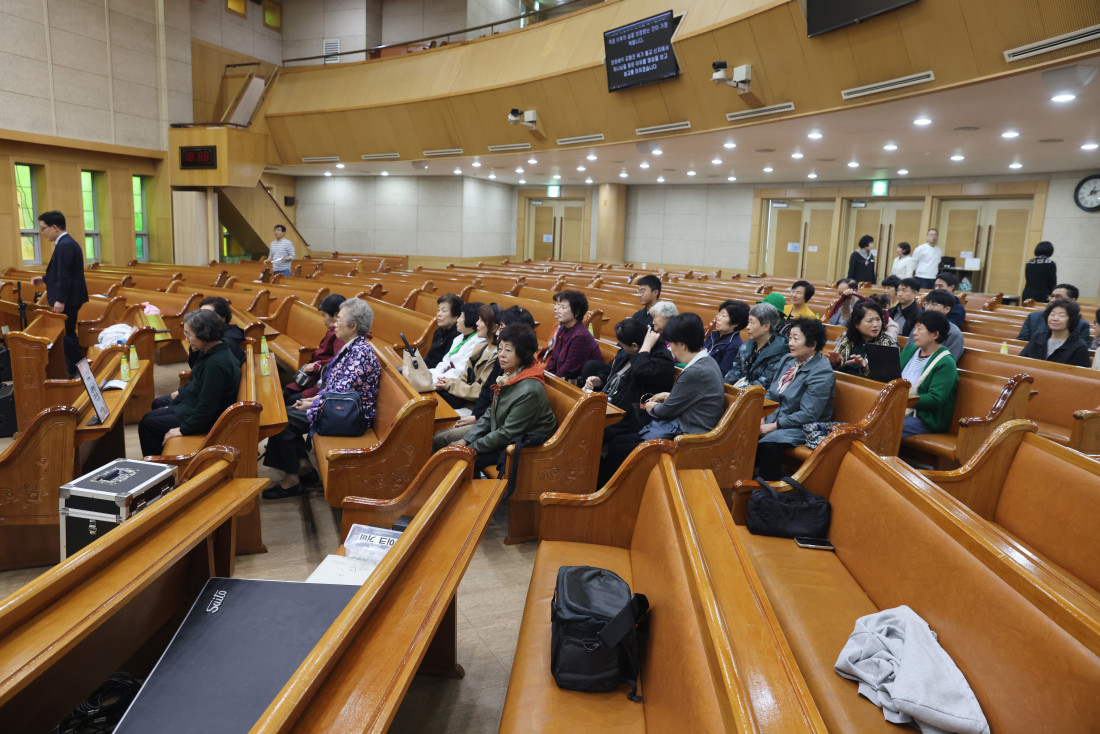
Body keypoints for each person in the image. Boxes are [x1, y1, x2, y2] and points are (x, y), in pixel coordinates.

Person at [263, 299, 380, 498]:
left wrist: (313, 403)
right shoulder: (352, 347)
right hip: (340, 409)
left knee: (283, 421)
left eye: (339, 319)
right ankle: (303, 467)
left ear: (353, 325)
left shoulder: (360, 353)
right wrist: (312, 401)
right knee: (284, 413)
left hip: (350, 417)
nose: (335, 323)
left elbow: (340, 395)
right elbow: (334, 389)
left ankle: (292, 481)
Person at [598, 313, 725, 485]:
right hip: (684, 424)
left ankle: (609, 491)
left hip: (690, 436)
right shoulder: (707, 361)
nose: (671, 349)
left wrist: (650, 406)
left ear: (682, 345)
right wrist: (669, 396)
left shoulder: (695, 371)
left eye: (672, 345)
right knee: (620, 441)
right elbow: (692, 397)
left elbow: (665, 411)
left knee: (621, 448)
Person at [452, 325, 557, 475]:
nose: (501, 355)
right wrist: (466, 440)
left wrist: (470, 447)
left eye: (508, 350)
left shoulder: (529, 390)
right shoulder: (510, 374)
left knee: (462, 460)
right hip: (504, 436)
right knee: (456, 451)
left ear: (524, 353)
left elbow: (507, 433)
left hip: (527, 449)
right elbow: (491, 412)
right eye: (500, 348)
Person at [138, 309, 242, 458]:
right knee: (150, 415)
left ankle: (162, 465)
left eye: (189, 335)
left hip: (209, 420)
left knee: (147, 424)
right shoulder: (211, 350)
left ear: (204, 335)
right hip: (196, 406)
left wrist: (183, 429)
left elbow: (207, 407)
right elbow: (197, 383)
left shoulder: (216, 363)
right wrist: (177, 402)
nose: (187, 339)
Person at [432, 306, 536, 450]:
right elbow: (490, 400)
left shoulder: (527, 384)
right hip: (487, 420)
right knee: (437, 432)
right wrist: (473, 426)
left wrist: (469, 444)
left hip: (505, 438)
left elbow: (506, 430)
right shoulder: (506, 364)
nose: (498, 332)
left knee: (440, 438)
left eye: (502, 328)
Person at [586, 318, 675, 469]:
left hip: (633, 413)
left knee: (593, 429)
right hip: (611, 405)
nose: (620, 347)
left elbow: (641, 371)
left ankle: (592, 471)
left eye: (623, 345)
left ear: (634, 346)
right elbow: (611, 369)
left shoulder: (661, 358)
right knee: (583, 421)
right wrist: (599, 380)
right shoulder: (628, 350)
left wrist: (645, 348)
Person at [756, 319, 835, 480]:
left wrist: (773, 426)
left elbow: (808, 414)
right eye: (790, 337)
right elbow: (771, 392)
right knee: (743, 431)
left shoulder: (821, 372)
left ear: (812, 344)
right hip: (775, 417)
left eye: (796, 339)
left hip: (802, 427)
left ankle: (770, 489)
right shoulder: (788, 360)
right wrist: (762, 416)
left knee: (767, 444)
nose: (790, 343)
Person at [31, 210, 89, 376]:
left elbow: (66, 276)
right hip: (72, 297)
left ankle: (84, 369)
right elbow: (61, 271)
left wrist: (60, 300)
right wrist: (44, 279)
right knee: (68, 333)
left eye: (44, 228)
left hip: (68, 299)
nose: (43, 233)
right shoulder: (65, 243)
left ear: (55, 227)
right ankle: (76, 369)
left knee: (62, 334)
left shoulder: (65, 245)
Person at [899, 310, 958, 438]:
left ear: (935, 334)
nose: (914, 333)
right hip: (899, 406)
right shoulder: (910, 349)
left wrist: (904, 398)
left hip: (924, 418)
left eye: (919, 329)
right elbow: (893, 374)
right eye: (915, 328)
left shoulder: (946, 362)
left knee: (886, 426)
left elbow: (935, 399)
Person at [283, 293, 346, 402]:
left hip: (322, 382)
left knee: (290, 400)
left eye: (324, 316)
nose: (323, 320)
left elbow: (339, 360)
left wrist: (316, 365)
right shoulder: (334, 331)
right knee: (288, 391)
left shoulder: (339, 335)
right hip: (315, 377)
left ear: (336, 315)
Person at [437, 303, 499, 409]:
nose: (477, 323)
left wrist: (450, 385)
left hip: (471, 407)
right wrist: (449, 382)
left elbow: (481, 391)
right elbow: (465, 375)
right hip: (461, 396)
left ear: (494, 328)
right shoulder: (480, 347)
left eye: (482, 320)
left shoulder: (496, 355)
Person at [724, 302, 789, 389]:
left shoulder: (779, 352)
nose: (748, 327)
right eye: (748, 322)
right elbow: (736, 370)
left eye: (752, 322)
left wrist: (737, 393)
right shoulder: (747, 345)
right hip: (741, 390)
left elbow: (763, 383)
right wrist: (723, 387)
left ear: (766, 326)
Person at [544, 290, 602, 382]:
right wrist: (546, 376)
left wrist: (550, 381)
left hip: (576, 382)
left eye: (562, 307)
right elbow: (554, 358)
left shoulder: (580, 336)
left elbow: (569, 369)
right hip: (560, 378)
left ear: (577, 312)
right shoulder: (563, 328)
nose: (556, 309)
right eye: (557, 305)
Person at [828, 301, 899, 376]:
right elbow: (835, 366)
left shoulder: (888, 342)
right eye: (870, 321)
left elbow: (887, 377)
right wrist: (835, 363)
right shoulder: (848, 336)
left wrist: (865, 368)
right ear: (856, 324)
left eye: (878, 319)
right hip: (841, 379)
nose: (875, 325)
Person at [1018, 300, 1090, 367]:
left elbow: (1079, 373)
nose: (1055, 319)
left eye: (1061, 316)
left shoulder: (1079, 346)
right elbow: (1021, 361)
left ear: (1072, 319)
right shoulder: (1037, 337)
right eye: (1052, 314)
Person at [430, 302, 485, 383]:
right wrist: (433, 374)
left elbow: (460, 371)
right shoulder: (459, 337)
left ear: (470, 318)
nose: (457, 320)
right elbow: (445, 362)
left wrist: (436, 378)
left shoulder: (478, 342)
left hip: (455, 382)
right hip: (443, 377)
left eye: (461, 316)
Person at [1017, 285, 1092, 342]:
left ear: (1072, 301)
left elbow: (1082, 350)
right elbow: (1021, 342)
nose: (1052, 300)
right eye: (1052, 296)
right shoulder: (1033, 317)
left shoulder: (1082, 324)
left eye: (1058, 297)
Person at [703, 299, 749, 374]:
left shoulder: (735, 345)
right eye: (719, 314)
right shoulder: (713, 334)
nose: (718, 319)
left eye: (723, 316)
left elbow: (723, 372)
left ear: (736, 323)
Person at [922, 290, 966, 361]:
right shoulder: (919, 327)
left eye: (934, 304)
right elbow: (908, 354)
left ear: (947, 309)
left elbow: (947, 363)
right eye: (926, 304)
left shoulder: (954, 333)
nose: (928, 308)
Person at [425, 294, 462, 367]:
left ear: (456, 316)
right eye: (438, 310)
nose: (439, 314)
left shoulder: (457, 337)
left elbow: (446, 365)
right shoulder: (439, 331)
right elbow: (429, 356)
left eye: (444, 311)